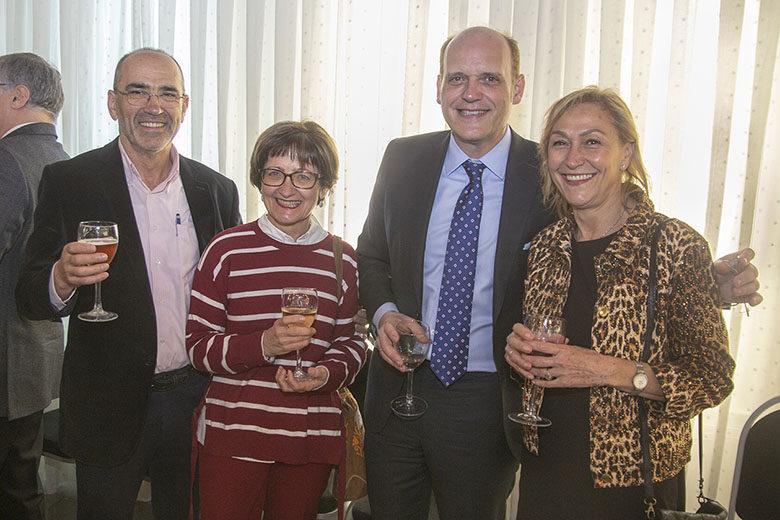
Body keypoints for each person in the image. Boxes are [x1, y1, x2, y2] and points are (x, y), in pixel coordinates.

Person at [356, 26, 760, 520]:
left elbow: (623, 245)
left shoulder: (548, 171)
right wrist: (385, 312)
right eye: (457, 78)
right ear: (439, 87)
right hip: (397, 391)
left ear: (517, 87)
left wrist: (706, 284)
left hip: (489, 405)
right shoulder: (403, 157)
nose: (471, 93)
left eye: (490, 78)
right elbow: (371, 252)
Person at [15, 48, 241, 520]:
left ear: (184, 106)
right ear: (113, 103)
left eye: (167, 93)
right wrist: (60, 278)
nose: (153, 106)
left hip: (196, 400)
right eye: (137, 91)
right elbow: (30, 295)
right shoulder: (70, 181)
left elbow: (233, 293)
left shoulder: (216, 190)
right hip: (107, 405)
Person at [504, 86, 736, 519]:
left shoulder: (674, 245)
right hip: (546, 473)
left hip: (635, 486)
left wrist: (604, 369)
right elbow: (537, 353)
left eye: (592, 141)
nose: (573, 159)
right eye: (560, 143)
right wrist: (516, 354)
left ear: (626, 154)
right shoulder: (544, 247)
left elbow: (712, 376)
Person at [186, 120, 366, 519]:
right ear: (259, 180)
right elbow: (198, 347)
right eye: (274, 174)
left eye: (303, 176)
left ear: (323, 187)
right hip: (234, 436)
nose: (287, 189)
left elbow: (352, 344)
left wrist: (326, 375)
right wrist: (264, 345)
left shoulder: (343, 259)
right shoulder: (226, 250)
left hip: (310, 436)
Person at [0, 52, 68, 520]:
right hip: (33, 356)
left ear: (18, 96)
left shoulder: (7, 160)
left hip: (5, 357)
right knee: (21, 485)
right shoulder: (63, 160)